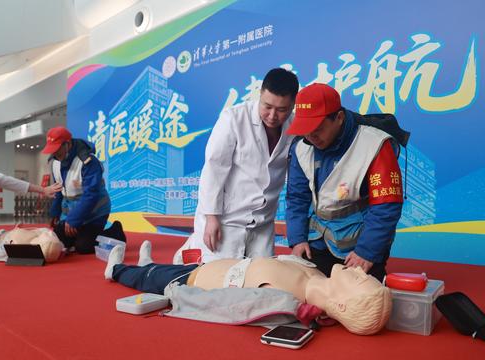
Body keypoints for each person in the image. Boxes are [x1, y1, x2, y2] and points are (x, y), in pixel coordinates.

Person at [104, 241, 392, 336]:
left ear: (340, 305)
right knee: (154, 269)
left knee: (146, 278)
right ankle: (147, 264)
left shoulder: (283, 301)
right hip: (211, 266)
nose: (359, 271)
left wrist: (178, 297)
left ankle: (115, 270)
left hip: (192, 281)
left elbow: (224, 305)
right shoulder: (315, 272)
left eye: (358, 279)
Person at [285, 83, 405, 281]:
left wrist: (367, 252)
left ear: (339, 118)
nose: (311, 136)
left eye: (317, 129)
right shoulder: (301, 147)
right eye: (306, 129)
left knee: (363, 297)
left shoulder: (375, 145)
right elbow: (297, 197)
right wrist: (297, 239)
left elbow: (386, 206)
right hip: (316, 242)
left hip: (360, 246)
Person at [180, 68, 299, 263]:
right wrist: (211, 217)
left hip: (262, 223)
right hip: (226, 220)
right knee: (217, 276)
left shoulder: (295, 128)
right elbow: (214, 169)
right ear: (260, 94)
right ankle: (186, 252)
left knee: (260, 277)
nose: (272, 115)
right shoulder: (234, 118)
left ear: (293, 104)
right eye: (267, 106)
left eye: (281, 110)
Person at [41, 126, 126, 254]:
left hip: (95, 213)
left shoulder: (89, 162)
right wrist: (55, 212)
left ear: (68, 144)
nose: (55, 154)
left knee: (84, 246)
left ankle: (115, 231)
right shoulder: (55, 162)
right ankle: (80, 233)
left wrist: (73, 219)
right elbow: (59, 188)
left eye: (57, 149)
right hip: (74, 212)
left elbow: (91, 195)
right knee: (57, 239)